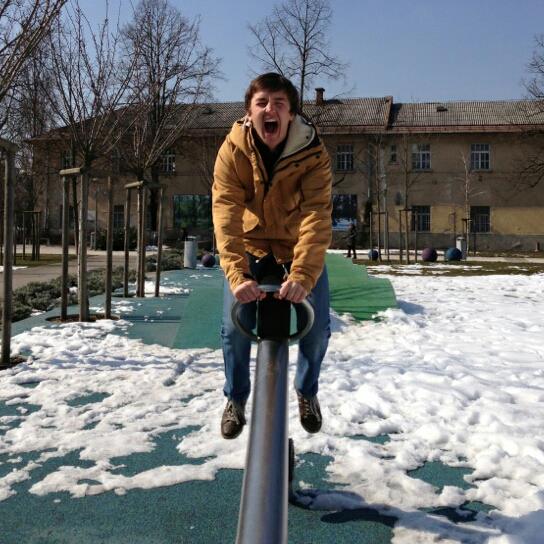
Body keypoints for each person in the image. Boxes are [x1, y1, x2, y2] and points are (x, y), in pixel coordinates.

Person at [212, 72, 332, 439]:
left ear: (291, 114)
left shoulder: (312, 153)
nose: (270, 110)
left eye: (279, 104)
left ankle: (307, 391)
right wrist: (237, 275)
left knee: (317, 328)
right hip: (251, 246)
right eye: (262, 102)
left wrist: (303, 275)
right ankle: (236, 399)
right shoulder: (233, 150)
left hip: (295, 248)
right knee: (233, 328)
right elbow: (226, 213)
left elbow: (316, 215)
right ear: (249, 113)